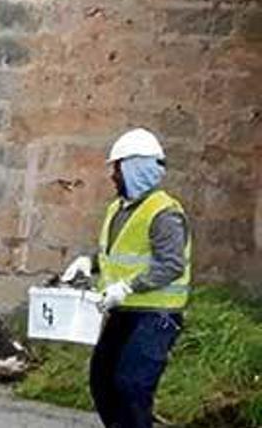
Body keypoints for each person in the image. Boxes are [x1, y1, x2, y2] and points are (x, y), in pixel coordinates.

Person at [60, 128, 193, 428]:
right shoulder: (117, 209)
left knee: (132, 385)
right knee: (102, 381)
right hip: (124, 310)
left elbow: (170, 264)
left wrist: (129, 286)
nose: (112, 176)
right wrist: (88, 263)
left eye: (117, 168)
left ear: (136, 168)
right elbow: (113, 253)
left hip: (157, 316)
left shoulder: (165, 213)